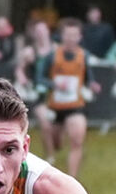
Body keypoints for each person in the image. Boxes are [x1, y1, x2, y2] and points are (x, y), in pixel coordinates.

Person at [31, 18, 98, 177]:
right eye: (68, 35)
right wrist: (53, 84)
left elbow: (89, 77)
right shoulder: (52, 56)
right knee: (57, 143)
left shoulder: (84, 55)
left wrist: (93, 84)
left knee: (76, 142)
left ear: (80, 37)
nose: (71, 39)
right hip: (55, 107)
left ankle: (72, 180)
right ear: (62, 36)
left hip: (76, 106)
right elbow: (39, 79)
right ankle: (55, 146)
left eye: (74, 35)